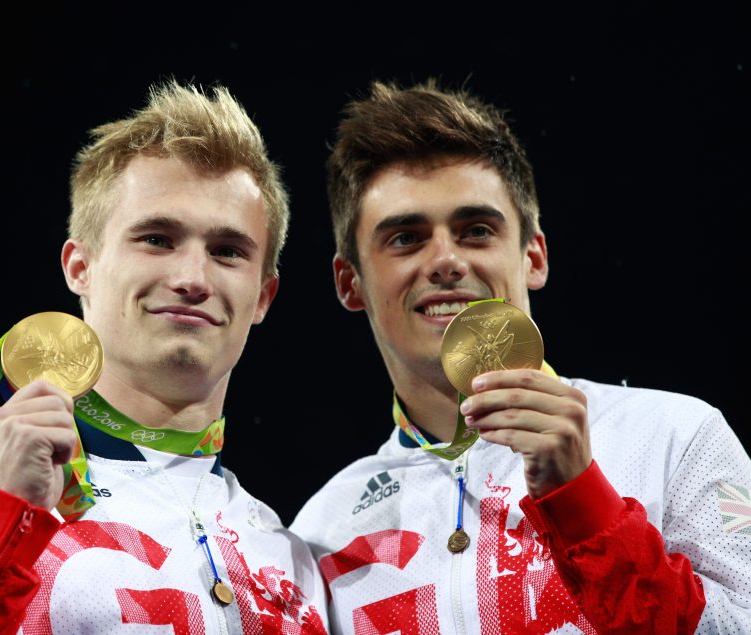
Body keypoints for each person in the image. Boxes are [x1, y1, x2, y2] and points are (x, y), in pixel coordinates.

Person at [0, 82, 328, 634]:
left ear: (263, 298)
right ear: (79, 267)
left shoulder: (288, 555)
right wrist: (7, 520)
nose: (192, 279)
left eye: (227, 252)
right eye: (156, 238)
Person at [291, 79, 751, 634]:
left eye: (476, 230)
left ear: (533, 256)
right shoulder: (323, 528)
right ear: (350, 283)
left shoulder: (675, 438)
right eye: (406, 238)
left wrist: (583, 499)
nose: (445, 260)